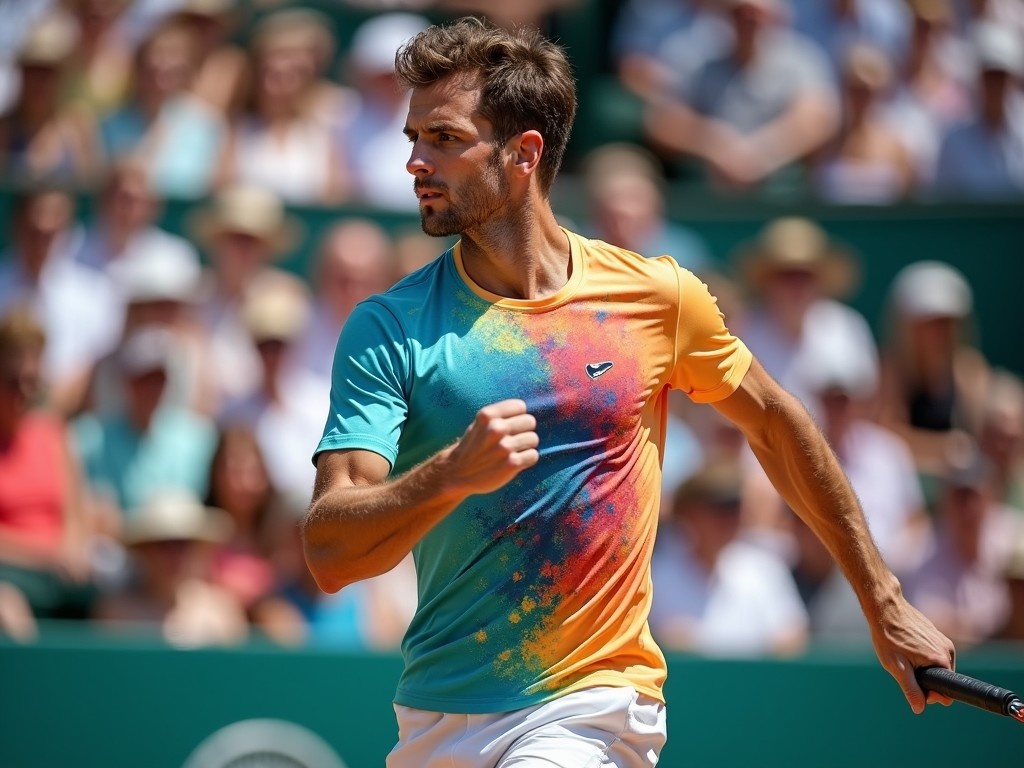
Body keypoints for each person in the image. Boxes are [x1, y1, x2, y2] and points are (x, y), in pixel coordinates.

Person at [301, 17, 955, 768]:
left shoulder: (658, 298)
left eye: (445, 138)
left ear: (523, 154)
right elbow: (329, 550)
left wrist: (883, 600)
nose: (415, 160)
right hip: (437, 719)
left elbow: (775, 422)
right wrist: (450, 475)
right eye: (413, 137)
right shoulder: (387, 329)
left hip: (592, 705)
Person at [648, 460, 809, 657]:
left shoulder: (766, 569)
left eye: (735, 507)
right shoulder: (655, 576)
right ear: (689, 513)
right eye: (718, 508)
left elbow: (792, 640)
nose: (729, 519)